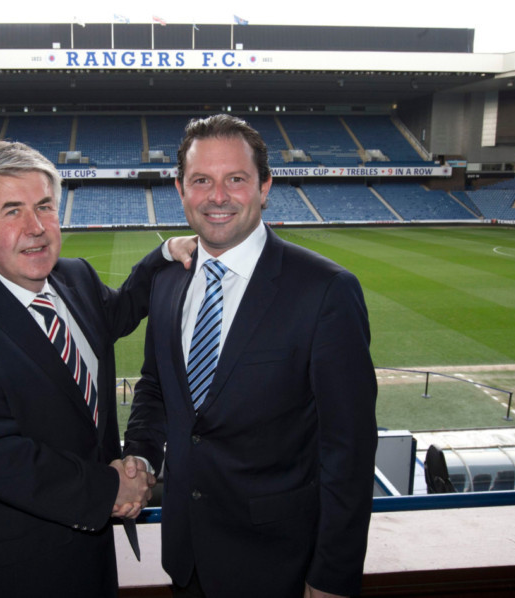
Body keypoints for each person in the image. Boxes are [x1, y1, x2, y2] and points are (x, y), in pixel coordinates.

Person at [0, 140, 194, 597]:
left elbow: (119, 311)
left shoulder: (73, 277)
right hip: (12, 568)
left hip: (89, 554)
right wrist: (111, 488)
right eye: (12, 211)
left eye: (45, 206)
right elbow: (2, 459)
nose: (36, 227)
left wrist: (164, 255)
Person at [123, 114, 378, 598]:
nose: (217, 196)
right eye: (202, 180)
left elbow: (348, 450)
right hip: (186, 557)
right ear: (181, 189)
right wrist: (139, 453)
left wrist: (331, 578)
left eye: (235, 179)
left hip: (278, 566)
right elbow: (156, 386)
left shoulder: (325, 291)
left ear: (264, 187)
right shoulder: (168, 278)